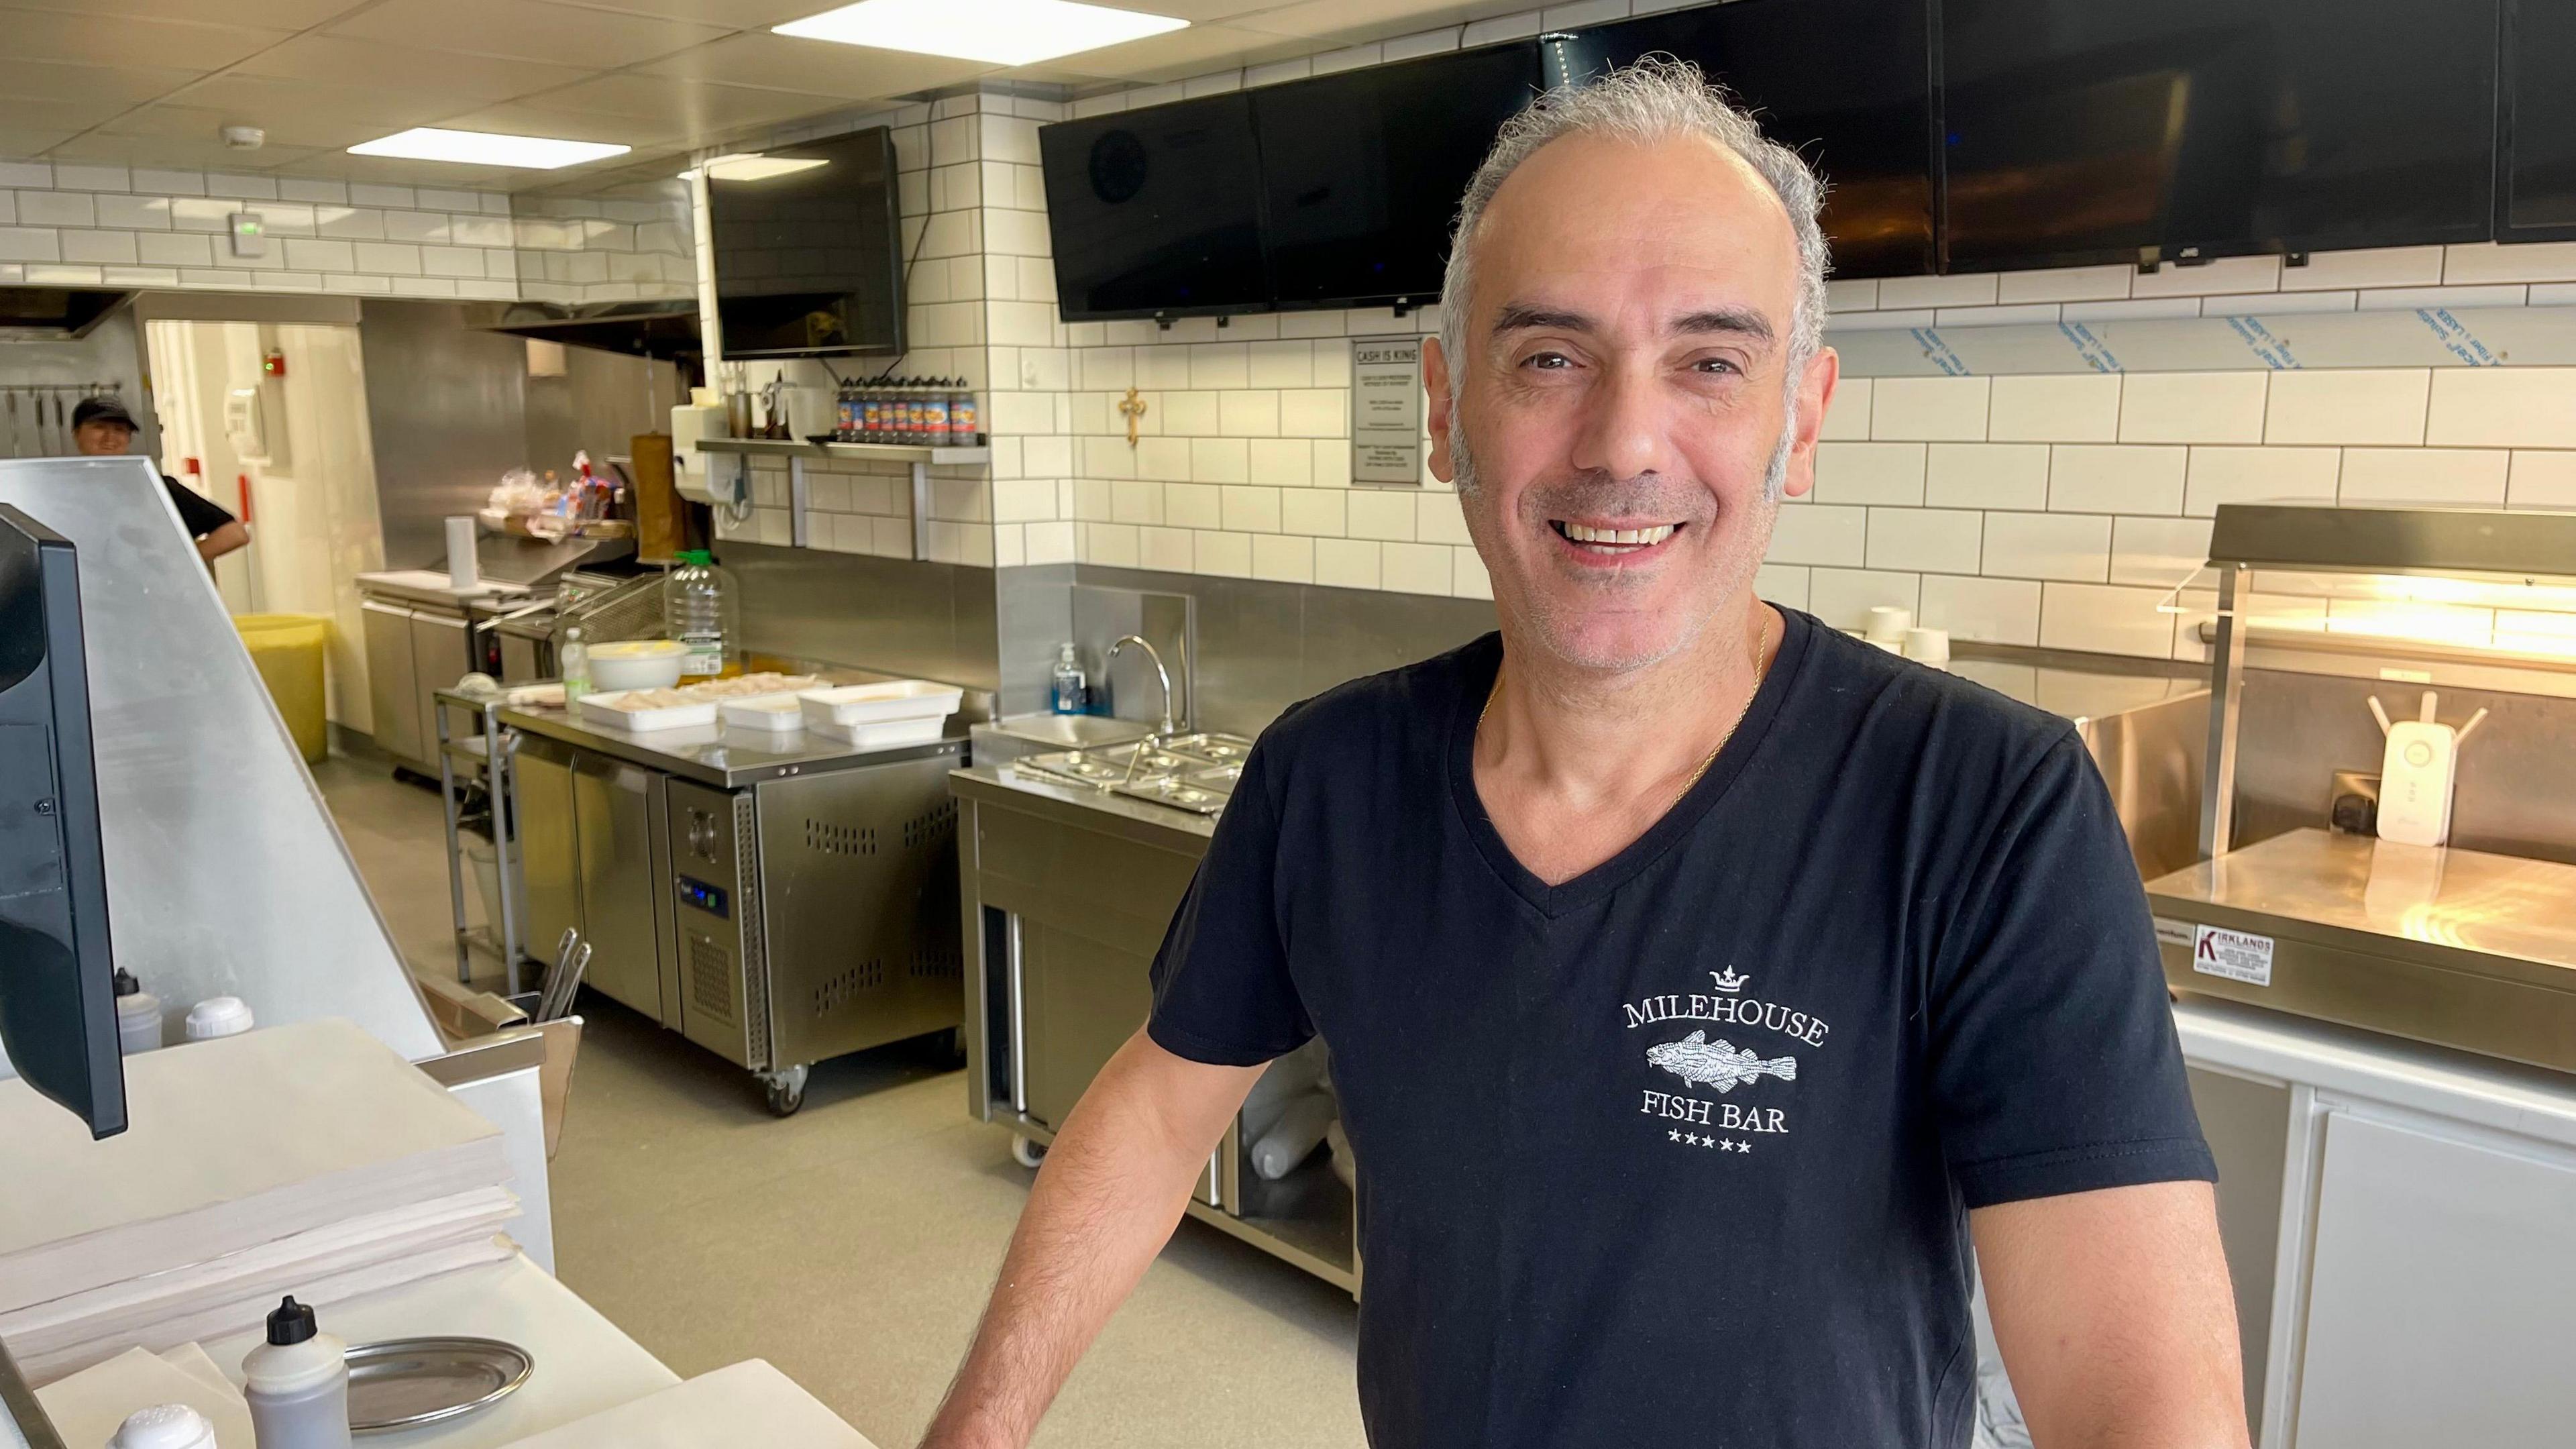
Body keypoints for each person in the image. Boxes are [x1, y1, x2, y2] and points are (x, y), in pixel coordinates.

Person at [923, 60, 2247, 1449]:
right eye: (1550, 358)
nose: (1623, 443)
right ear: (1447, 409)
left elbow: (2139, 1402)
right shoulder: (1333, 779)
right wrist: (977, 1427)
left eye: (1711, 365)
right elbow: (1150, 1111)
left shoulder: (1986, 808)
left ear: (1801, 421)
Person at [70, 395, 250, 565]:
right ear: (77, 434)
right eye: (99, 427)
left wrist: (179, 563)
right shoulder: (59, 490)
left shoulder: (156, 488)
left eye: (119, 430)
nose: (110, 437)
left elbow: (234, 533)